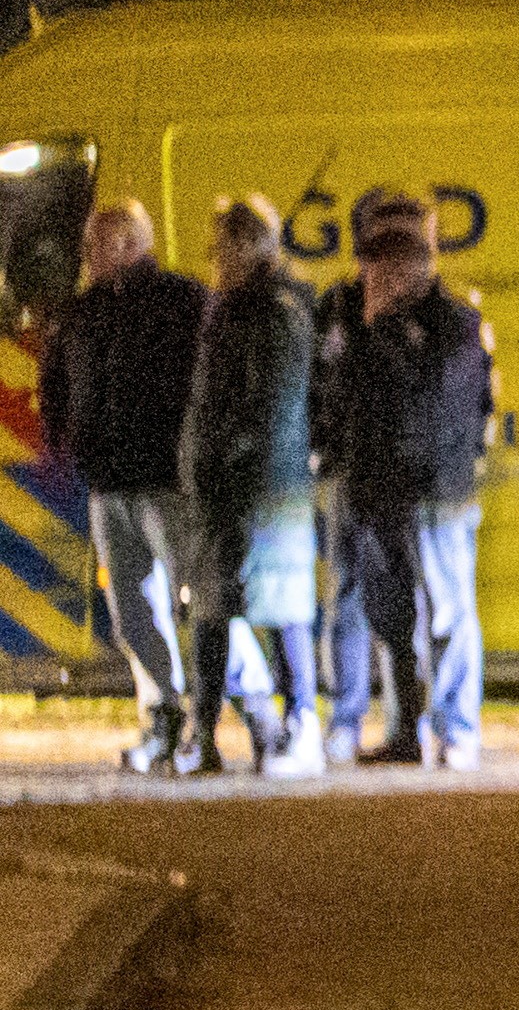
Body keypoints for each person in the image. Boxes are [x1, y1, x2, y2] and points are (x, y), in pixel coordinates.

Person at [314, 186, 493, 766]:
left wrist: (380, 332)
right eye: (378, 250)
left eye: (405, 249)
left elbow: (433, 401)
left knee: (447, 613)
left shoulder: (455, 323)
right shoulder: (339, 311)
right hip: (363, 485)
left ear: (430, 251)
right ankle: (389, 730)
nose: (390, 265)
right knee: (374, 614)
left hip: (434, 493)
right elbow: (323, 393)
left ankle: (456, 732)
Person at [44, 200, 208, 771]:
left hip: (170, 483)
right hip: (110, 485)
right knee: (133, 613)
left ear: (126, 243)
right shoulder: (83, 312)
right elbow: (57, 379)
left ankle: (251, 711)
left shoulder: (182, 301)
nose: (85, 257)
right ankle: (162, 719)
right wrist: (64, 438)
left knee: (207, 602)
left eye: (93, 245)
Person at [177, 192, 326, 776]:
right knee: (215, 611)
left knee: (281, 609)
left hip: (263, 488)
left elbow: (270, 405)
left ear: (249, 245)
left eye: (223, 244)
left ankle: (301, 731)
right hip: (233, 485)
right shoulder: (238, 306)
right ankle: (206, 735)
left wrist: (226, 461)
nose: (215, 256)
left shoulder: (271, 310)